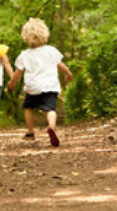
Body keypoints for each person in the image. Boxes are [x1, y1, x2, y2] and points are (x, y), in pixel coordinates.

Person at [7, 18, 72, 147]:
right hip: (50, 86)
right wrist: (68, 73)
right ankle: (51, 126)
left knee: (28, 107)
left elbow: (18, 73)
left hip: (33, 87)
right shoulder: (51, 50)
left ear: (25, 37)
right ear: (45, 34)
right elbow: (60, 65)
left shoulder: (24, 55)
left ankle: (31, 132)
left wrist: (12, 82)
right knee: (50, 109)